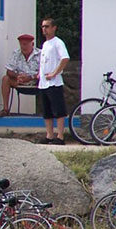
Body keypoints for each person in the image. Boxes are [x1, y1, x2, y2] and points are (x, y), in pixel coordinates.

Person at [36, 17, 70, 145]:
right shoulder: (45, 44)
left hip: (54, 82)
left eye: (47, 26)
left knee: (59, 110)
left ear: (54, 28)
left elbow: (65, 58)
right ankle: (49, 135)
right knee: (47, 111)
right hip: (44, 83)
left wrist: (55, 73)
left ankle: (60, 136)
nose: (44, 29)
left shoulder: (57, 42)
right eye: (43, 27)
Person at [0, 34, 40, 117]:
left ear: (32, 44)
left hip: (36, 82)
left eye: (26, 44)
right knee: (5, 79)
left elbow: (44, 71)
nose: (24, 47)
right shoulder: (16, 53)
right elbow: (9, 71)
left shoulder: (40, 54)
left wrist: (30, 77)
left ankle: (47, 111)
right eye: (22, 44)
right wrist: (17, 76)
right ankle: (5, 109)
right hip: (20, 81)